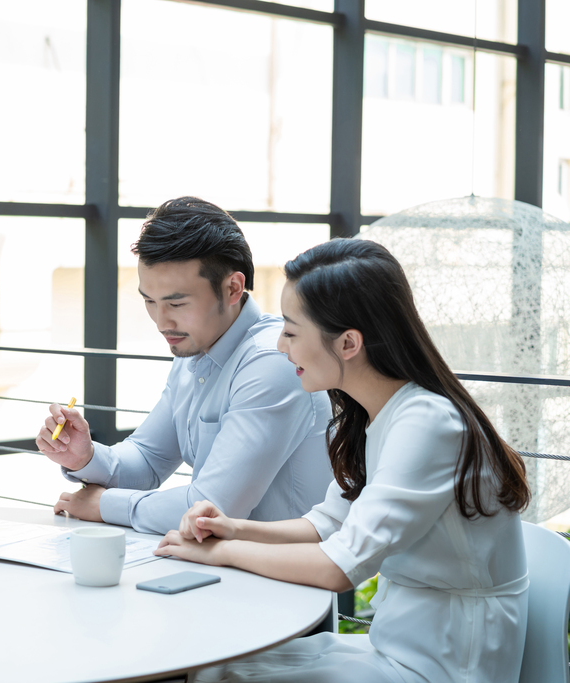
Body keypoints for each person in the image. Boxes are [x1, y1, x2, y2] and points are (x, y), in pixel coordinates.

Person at [157, 238, 532, 682]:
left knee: (213, 675)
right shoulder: (379, 414)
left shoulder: (427, 423)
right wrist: (232, 527)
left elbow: (338, 567)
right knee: (211, 666)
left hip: (447, 666)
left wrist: (223, 552)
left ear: (349, 343)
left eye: (292, 332)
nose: (280, 346)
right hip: (397, 647)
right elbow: (329, 524)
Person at [35, 197, 333, 534]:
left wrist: (104, 505)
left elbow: (212, 509)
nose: (162, 321)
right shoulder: (196, 345)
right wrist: (85, 457)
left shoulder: (272, 363)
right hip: (222, 567)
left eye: (176, 302)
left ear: (232, 288)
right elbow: (148, 458)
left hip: (284, 579)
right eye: (149, 301)